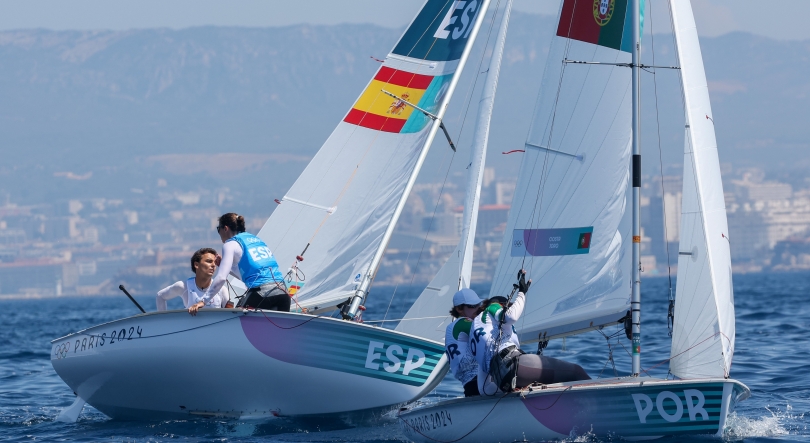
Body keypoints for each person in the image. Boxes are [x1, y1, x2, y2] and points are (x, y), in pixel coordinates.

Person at [471, 270, 590, 395]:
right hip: (513, 366)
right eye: (509, 305)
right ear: (501, 305)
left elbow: (484, 389)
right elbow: (511, 317)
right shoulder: (492, 307)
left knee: (557, 380)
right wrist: (522, 293)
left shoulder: (478, 334)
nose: (512, 307)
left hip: (505, 380)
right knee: (576, 372)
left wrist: (509, 389)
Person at [202, 213, 290, 311]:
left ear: (225, 228)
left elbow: (221, 278)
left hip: (261, 294)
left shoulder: (230, 244)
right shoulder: (257, 240)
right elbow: (248, 276)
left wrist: (203, 301)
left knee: (235, 323)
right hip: (283, 293)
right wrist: (224, 265)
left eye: (219, 229)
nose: (219, 233)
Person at [156, 247, 232, 315]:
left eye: (215, 262)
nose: (213, 265)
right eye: (209, 261)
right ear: (196, 265)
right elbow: (160, 296)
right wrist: (163, 324)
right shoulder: (183, 286)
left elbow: (231, 317)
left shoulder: (222, 290)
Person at [445, 288, 483, 397]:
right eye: (472, 306)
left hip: (469, 383)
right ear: (459, 309)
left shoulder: (450, 327)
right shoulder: (465, 323)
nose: (477, 309)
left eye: (478, 305)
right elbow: (488, 332)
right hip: (478, 382)